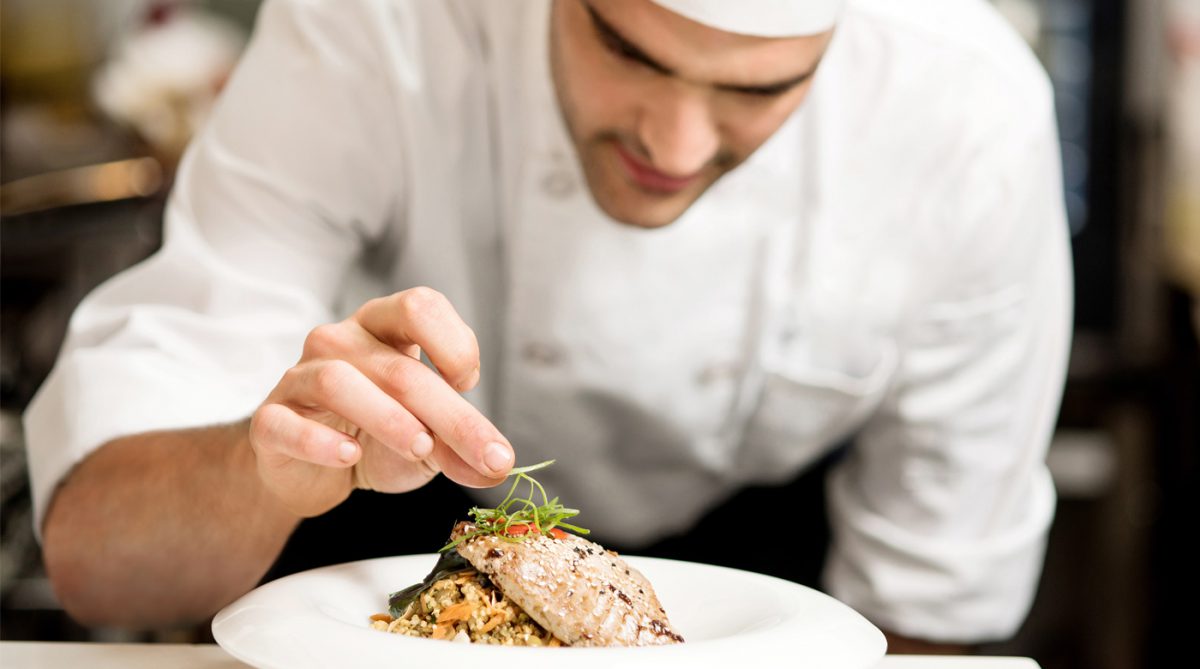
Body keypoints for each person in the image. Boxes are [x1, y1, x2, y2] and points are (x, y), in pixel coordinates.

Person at [23, 0, 1072, 654]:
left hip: (777, 584)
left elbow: (936, 614)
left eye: (758, 90)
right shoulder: (373, 26)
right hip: (384, 557)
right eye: (627, 46)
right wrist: (262, 475)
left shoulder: (969, 115)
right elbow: (94, 559)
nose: (675, 140)